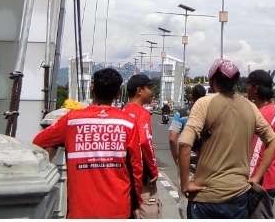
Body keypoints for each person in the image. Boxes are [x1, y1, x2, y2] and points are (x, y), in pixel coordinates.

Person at [178, 59, 275, 218]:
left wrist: (185, 183)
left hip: (205, 197)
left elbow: (184, 143)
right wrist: (256, 177)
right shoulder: (250, 107)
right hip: (239, 197)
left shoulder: (204, 103)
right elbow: (273, 141)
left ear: (212, 81)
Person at [33, 68, 142, 218]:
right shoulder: (128, 123)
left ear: (92, 89)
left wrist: (64, 142)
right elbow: (136, 168)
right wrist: (137, 203)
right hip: (118, 209)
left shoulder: (71, 121)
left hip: (81, 211)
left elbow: (39, 142)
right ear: (118, 94)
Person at [122, 74, 161, 218]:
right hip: (142, 177)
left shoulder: (122, 112)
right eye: (149, 88)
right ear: (139, 90)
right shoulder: (142, 113)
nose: (152, 92)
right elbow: (145, 142)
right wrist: (154, 170)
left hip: (125, 175)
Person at [246, 70, 275, 202]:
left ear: (255, 88)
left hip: (261, 181)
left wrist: (251, 178)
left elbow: (257, 150)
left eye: (248, 85)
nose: (246, 89)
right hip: (271, 177)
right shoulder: (272, 109)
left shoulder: (264, 114)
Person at [169, 85, 206, 164]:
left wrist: (177, 160)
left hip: (185, 158)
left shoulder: (180, 114)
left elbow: (172, 139)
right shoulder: (209, 113)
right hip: (204, 160)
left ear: (191, 96)